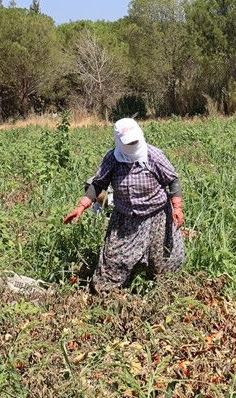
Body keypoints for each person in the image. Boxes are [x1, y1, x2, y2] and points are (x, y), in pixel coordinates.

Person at [62, 118, 188, 290]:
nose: (133, 144)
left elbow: (172, 180)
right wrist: (81, 207)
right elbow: (98, 183)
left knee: (163, 261)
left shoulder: (154, 155)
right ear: (118, 140)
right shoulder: (112, 159)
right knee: (114, 261)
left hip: (157, 216)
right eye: (129, 142)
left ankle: (161, 292)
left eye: (135, 140)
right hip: (125, 219)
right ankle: (109, 294)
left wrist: (177, 208)